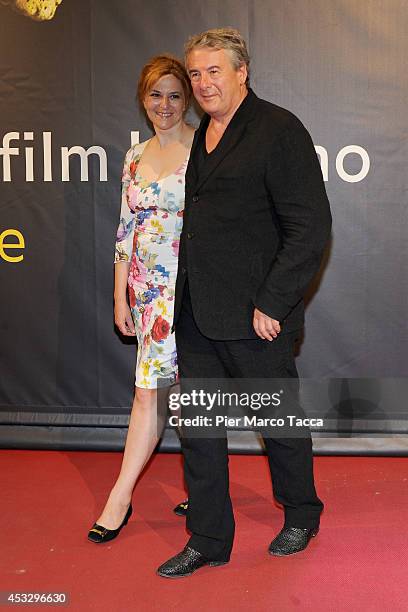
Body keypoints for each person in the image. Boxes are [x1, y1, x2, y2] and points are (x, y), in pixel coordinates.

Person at [157, 28, 332, 577]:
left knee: (278, 421)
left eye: (214, 71)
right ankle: (208, 536)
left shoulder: (279, 130)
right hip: (197, 314)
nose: (203, 83)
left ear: (241, 73)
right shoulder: (202, 133)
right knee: (200, 432)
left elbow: (310, 227)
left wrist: (274, 304)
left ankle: (301, 512)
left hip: (258, 317)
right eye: (195, 74)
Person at [87, 55, 194, 543]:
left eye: (174, 94)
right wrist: (120, 297)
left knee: (192, 393)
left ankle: (203, 487)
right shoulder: (134, 157)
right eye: (156, 94)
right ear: (143, 99)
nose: (165, 104)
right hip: (148, 296)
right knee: (149, 394)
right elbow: (124, 233)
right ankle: (121, 495)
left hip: (193, 291)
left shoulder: (208, 147)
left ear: (187, 98)